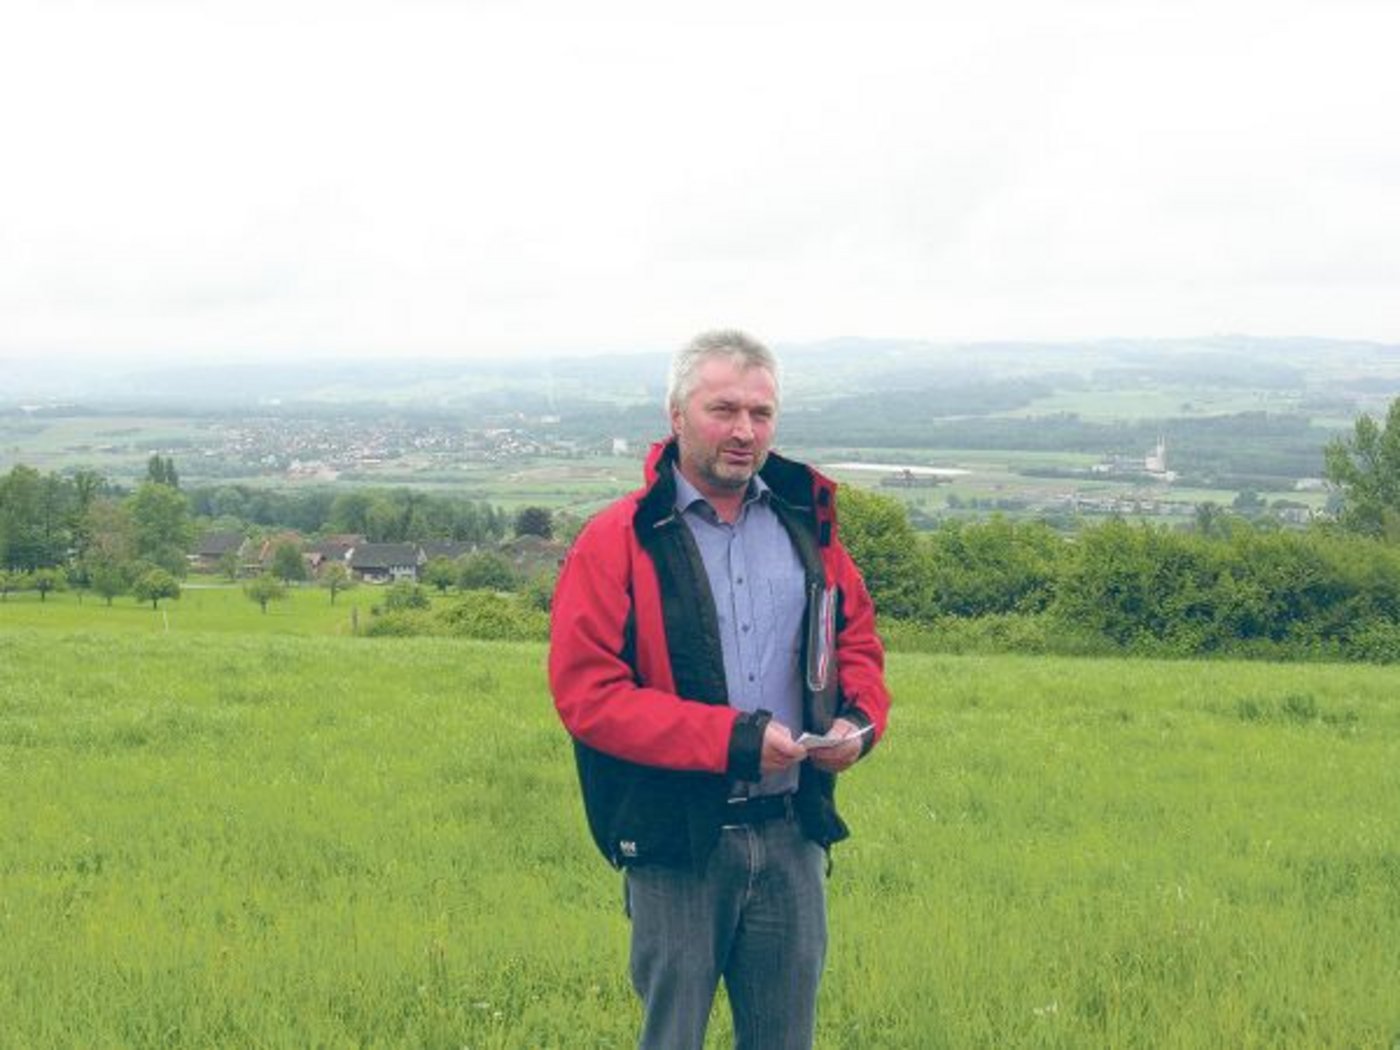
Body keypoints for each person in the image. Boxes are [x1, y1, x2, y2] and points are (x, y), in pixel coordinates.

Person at [549, 329, 891, 1050]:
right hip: (678, 844)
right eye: (723, 409)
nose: (744, 431)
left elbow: (854, 640)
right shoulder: (618, 538)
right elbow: (589, 696)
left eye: (760, 414)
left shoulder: (807, 526)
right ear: (677, 415)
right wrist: (732, 741)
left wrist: (858, 725)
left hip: (792, 834)